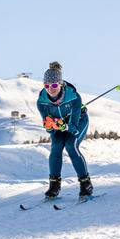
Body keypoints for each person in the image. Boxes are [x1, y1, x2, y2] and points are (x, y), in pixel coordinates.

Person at [36, 61, 93, 198]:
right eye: (47, 86)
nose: (51, 88)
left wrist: (64, 126)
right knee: (56, 146)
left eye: (54, 85)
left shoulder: (74, 97)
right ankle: (54, 185)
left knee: (70, 145)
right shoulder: (42, 101)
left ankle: (85, 184)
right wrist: (49, 126)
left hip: (78, 121)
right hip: (59, 125)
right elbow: (49, 130)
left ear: (60, 84)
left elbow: (73, 128)